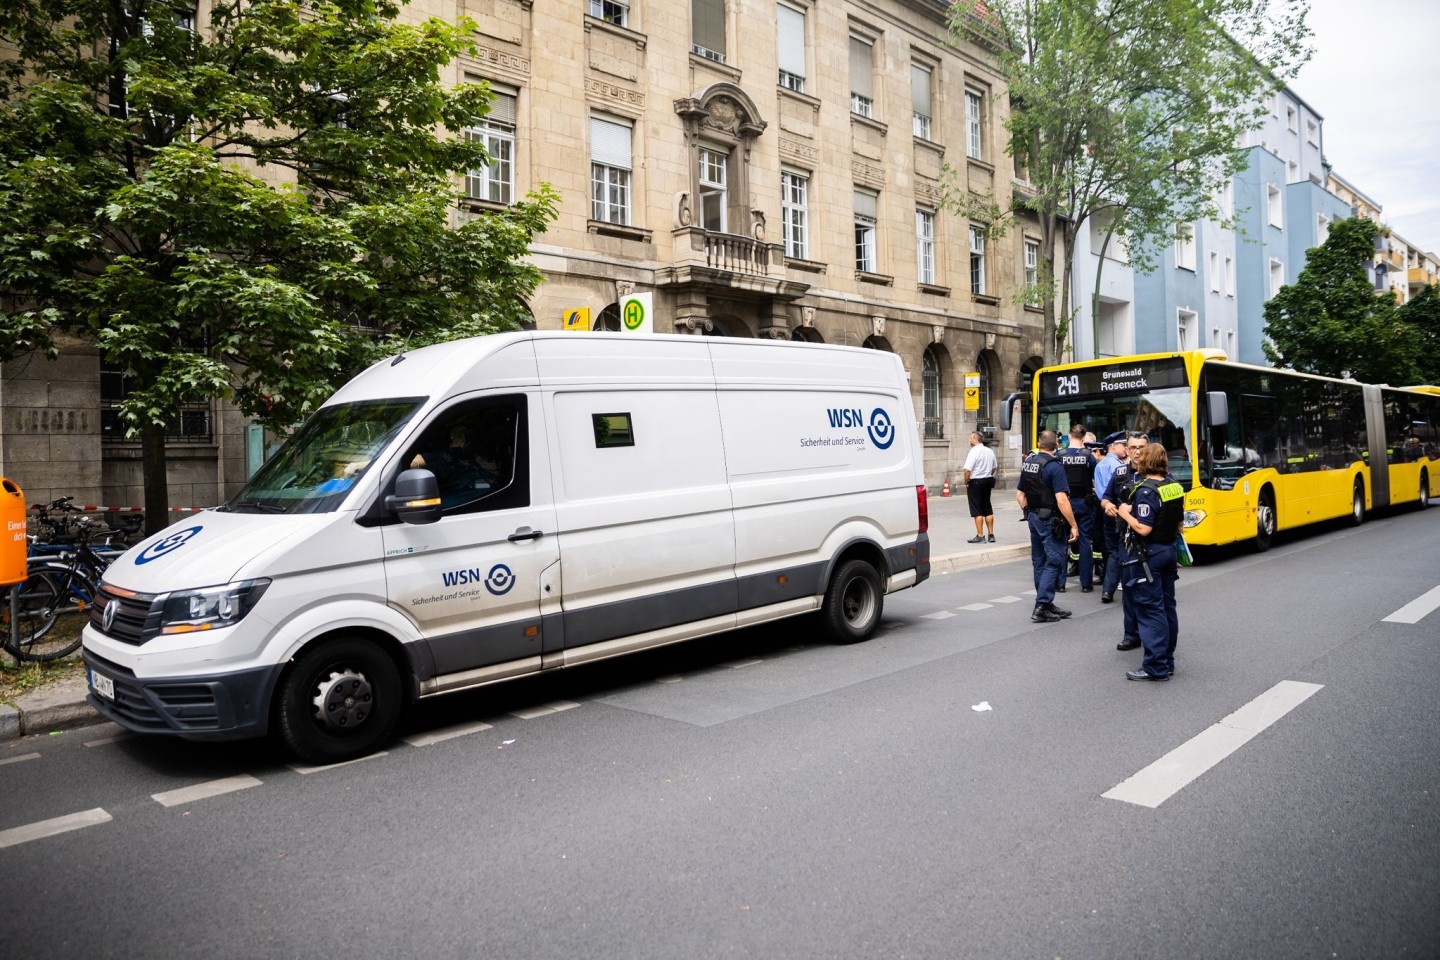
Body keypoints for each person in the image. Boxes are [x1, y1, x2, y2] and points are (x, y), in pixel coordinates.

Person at [1116, 442, 1183, 681]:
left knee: (1150, 609)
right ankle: (1168, 660)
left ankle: (1155, 666)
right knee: (1167, 608)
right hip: (1168, 550)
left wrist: (1124, 512)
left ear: (1146, 462)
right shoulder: (1174, 486)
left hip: (1149, 555)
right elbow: (1179, 523)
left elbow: (1143, 528)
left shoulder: (1146, 491)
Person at [1015, 429, 1079, 623]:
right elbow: (1062, 499)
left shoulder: (1029, 463)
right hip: (1051, 520)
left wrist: (1030, 512)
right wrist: (1073, 525)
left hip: (1034, 518)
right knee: (1055, 561)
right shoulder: (1054, 466)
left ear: (1038, 443)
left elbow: (1019, 495)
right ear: (1057, 445)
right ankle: (1042, 605)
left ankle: (1046, 602)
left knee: (1039, 561)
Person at [1101, 431, 1149, 649]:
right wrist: (1108, 505)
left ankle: (1154, 634)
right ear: (1126, 450)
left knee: (1152, 590)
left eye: (1141, 447)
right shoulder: (1121, 473)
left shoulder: (1158, 473)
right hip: (1127, 541)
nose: (1137, 451)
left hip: (1152, 540)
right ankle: (1132, 634)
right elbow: (1106, 498)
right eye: (1133, 448)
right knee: (1129, 588)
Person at [1059, 423, 1097, 592]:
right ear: (1083, 437)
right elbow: (1096, 477)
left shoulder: (1060, 455)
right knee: (1085, 542)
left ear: (1069, 434)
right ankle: (1086, 584)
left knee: (1062, 541)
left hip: (1065, 503)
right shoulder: (1089, 456)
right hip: (1084, 503)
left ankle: (1060, 583)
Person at [1092, 431, 1128, 604]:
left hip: (1106, 510)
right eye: (1124, 445)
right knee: (1126, 548)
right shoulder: (1120, 467)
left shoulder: (1100, 465)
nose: (1127, 449)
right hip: (1121, 511)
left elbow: (1101, 493)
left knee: (1112, 551)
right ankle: (1126, 584)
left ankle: (1108, 589)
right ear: (1114, 447)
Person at [962, 431, 998, 543]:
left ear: (975, 439)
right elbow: (994, 467)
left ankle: (980, 536)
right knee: (987, 507)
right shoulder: (989, 451)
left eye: (970, 438)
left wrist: (966, 481)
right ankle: (991, 535)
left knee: (977, 510)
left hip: (976, 482)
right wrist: (988, 474)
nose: (969, 440)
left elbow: (967, 470)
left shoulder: (973, 452)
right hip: (987, 481)